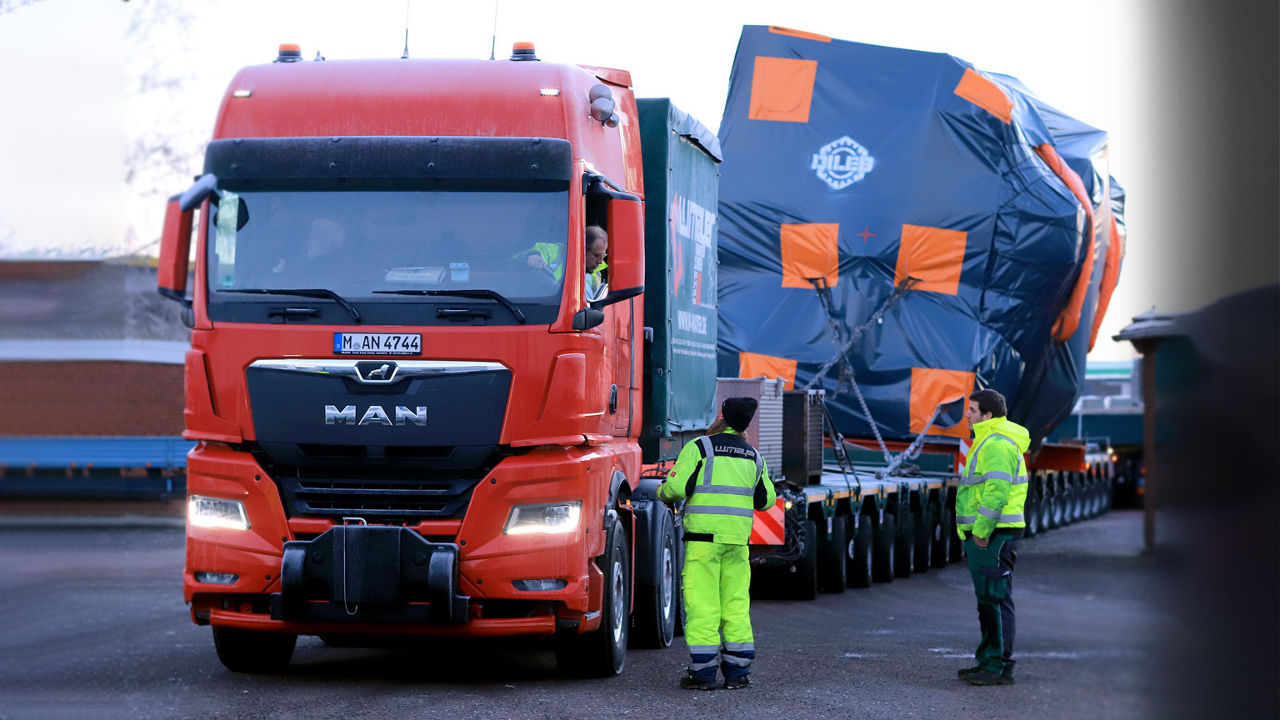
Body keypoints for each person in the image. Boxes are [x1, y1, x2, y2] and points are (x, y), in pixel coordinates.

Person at [658, 397, 777, 691]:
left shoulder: (700, 448)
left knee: (703, 605)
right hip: (737, 544)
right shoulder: (754, 457)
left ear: (722, 416)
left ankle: (704, 673)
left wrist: (661, 491)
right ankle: (737, 673)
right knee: (736, 605)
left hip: (703, 544)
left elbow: (675, 488)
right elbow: (767, 501)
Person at [955, 388, 1030, 686]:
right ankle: (988, 661)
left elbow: (996, 493)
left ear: (987, 415)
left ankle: (998, 667)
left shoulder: (996, 444)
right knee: (988, 599)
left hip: (994, 535)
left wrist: (982, 533)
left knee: (995, 600)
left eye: (972, 410)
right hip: (991, 533)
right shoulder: (989, 440)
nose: (968, 415)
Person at [583, 225, 608, 301]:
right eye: (597, 255)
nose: (600, 262)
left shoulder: (597, 275)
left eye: (603, 255)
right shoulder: (557, 256)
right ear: (583, 249)